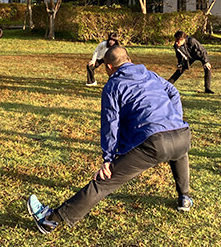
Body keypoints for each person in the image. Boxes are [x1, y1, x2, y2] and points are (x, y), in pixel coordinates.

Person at [26, 46, 192, 234]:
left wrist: (108, 158)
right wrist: (175, 118)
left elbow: (110, 124)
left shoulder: (113, 86)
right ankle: (184, 197)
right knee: (179, 152)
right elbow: (173, 92)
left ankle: (50, 220)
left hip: (154, 142)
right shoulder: (151, 75)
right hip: (183, 134)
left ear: (109, 67)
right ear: (129, 59)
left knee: (104, 182)